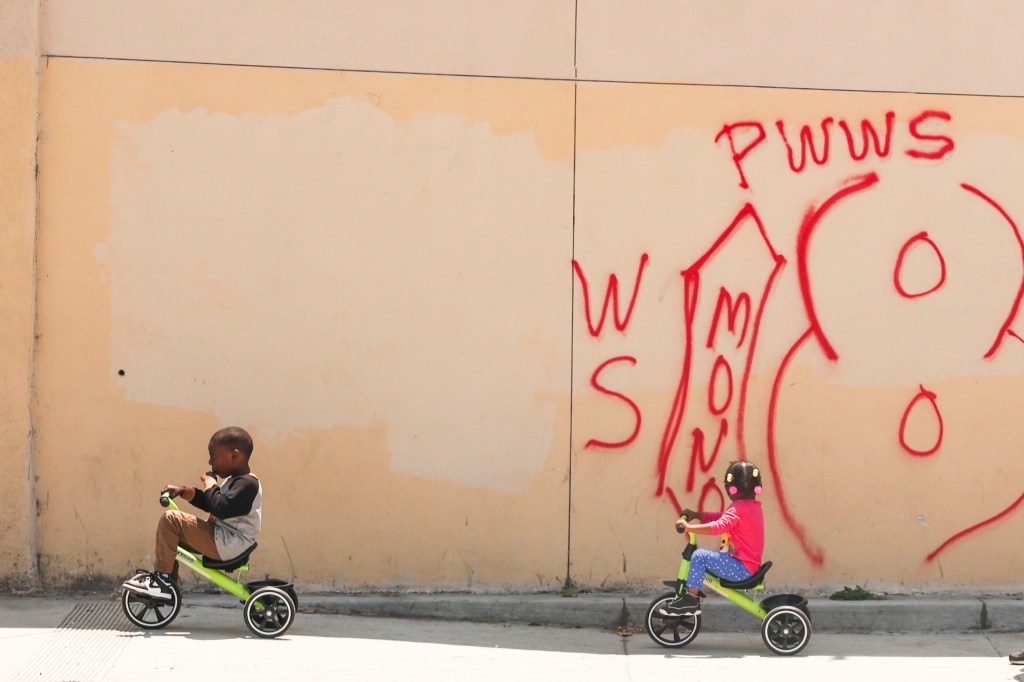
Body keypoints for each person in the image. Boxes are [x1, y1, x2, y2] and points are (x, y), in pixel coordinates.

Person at [121, 426, 263, 601]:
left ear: (234, 455)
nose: (211, 462)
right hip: (222, 539)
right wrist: (184, 491)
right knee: (172, 534)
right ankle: (165, 580)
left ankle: (162, 582)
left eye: (214, 456)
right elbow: (211, 503)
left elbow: (220, 507)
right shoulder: (235, 481)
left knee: (171, 519)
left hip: (229, 543)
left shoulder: (248, 484)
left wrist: (211, 484)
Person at [660, 460, 764, 616]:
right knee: (706, 558)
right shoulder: (751, 506)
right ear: (757, 488)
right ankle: (693, 594)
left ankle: (691, 600)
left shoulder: (738, 508)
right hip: (748, 567)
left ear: (730, 489)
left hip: (742, 569)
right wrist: (697, 515)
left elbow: (718, 527)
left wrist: (689, 528)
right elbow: (722, 517)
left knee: (699, 556)